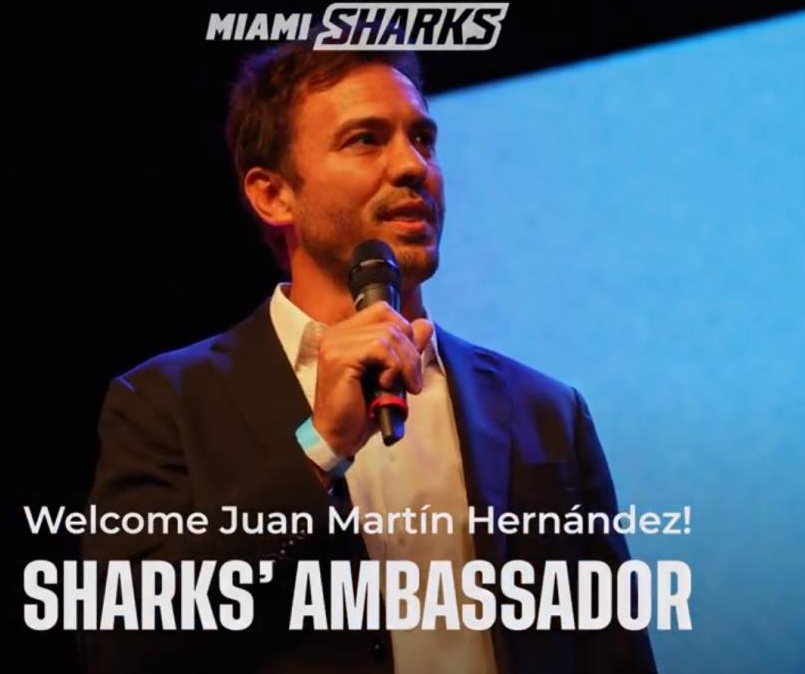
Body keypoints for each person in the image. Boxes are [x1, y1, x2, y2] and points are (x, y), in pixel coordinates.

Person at [79, 39, 658, 674]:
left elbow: (615, 654)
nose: (413, 166)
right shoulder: (166, 403)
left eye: (423, 139)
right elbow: (123, 643)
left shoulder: (545, 410)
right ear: (273, 195)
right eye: (365, 140)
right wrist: (319, 447)